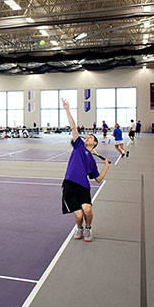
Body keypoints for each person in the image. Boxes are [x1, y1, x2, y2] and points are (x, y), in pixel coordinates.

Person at [61, 98, 110, 242]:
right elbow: (73, 127)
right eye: (87, 137)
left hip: (83, 186)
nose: (87, 138)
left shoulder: (92, 162)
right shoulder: (78, 146)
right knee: (78, 216)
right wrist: (67, 110)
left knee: (87, 210)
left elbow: (98, 179)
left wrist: (106, 166)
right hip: (70, 184)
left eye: (90, 138)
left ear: (94, 143)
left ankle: (88, 229)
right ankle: (79, 228)